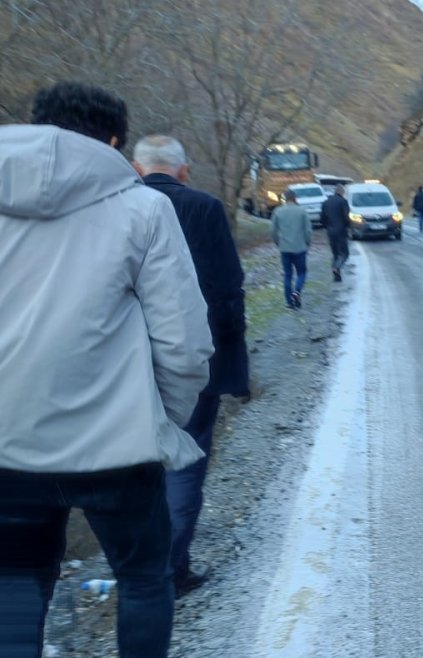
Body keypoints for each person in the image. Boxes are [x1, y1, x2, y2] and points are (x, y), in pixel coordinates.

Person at [0, 82, 213, 658]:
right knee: (144, 579)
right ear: (115, 141)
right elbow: (184, 343)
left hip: (7, 440)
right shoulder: (144, 208)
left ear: (37, 124)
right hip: (118, 447)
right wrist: (160, 422)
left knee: (15, 583)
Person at [133, 135, 250, 598]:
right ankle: (171, 570)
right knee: (185, 463)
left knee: (134, 466)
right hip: (195, 360)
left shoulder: (115, 205)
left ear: (136, 168)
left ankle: (136, 567)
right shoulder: (204, 207)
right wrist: (233, 364)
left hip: (127, 361)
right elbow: (226, 287)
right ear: (183, 170)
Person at [271, 189, 312, 308]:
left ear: (285, 198)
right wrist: (307, 243)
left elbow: (273, 231)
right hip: (299, 248)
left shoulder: (278, 211)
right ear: (295, 198)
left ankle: (289, 301)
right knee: (301, 272)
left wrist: (278, 243)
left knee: (288, 274)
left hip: (285, 248)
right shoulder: (302, 211)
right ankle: (297, 292)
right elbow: (308, 231)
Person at [321, 183, 350, 281]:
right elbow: (346, 217)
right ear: (342, 192)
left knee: (335, 254)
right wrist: (348, 227)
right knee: (344, 253)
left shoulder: (326, 202)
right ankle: (337, 267)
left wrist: (327, 227)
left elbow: (322, 218)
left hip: (330, 231)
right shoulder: (343, 202)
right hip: (341, 231)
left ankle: (336, 276)